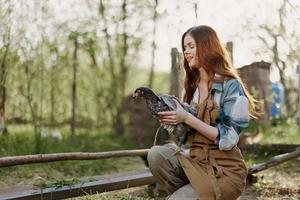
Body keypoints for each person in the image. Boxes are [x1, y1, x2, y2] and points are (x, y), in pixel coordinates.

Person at [147, 25, 257, 200]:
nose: (186, 52)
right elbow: (186, 136)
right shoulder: (192, 87)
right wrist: (173, 120)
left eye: (191, 46)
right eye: (184, 48)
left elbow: (228, 139)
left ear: (207, 46)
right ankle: (186, 194)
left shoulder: (230, 86)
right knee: (156, 154)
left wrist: (187, 118)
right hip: (196, 163)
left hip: (224, 171)